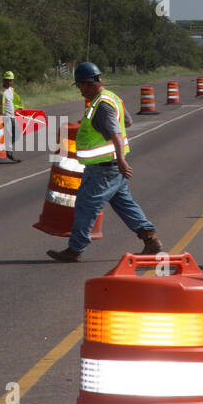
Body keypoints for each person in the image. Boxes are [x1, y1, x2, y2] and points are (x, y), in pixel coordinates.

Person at [46, 62, 162, 261]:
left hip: (104, 168)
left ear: (89, 83)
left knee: (85, 206)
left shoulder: (102, 105)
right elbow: (127, 122)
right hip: (112, 168)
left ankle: (75, 249)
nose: (80, 91)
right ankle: (150, 240)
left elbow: (116, 133)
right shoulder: (111, 98)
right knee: (125, 204)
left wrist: (121, 160)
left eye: (81, 86)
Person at [0, 70, 24, 161]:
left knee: (17, 135)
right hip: (5, 116)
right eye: (7, 80)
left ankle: (5, 148)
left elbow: (12, 102)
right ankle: (9, 154)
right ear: (3, 80)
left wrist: (19, 109)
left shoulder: (12, 90)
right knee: (9, 135)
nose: (9, 82)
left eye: (11, 80)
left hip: (12, 116)